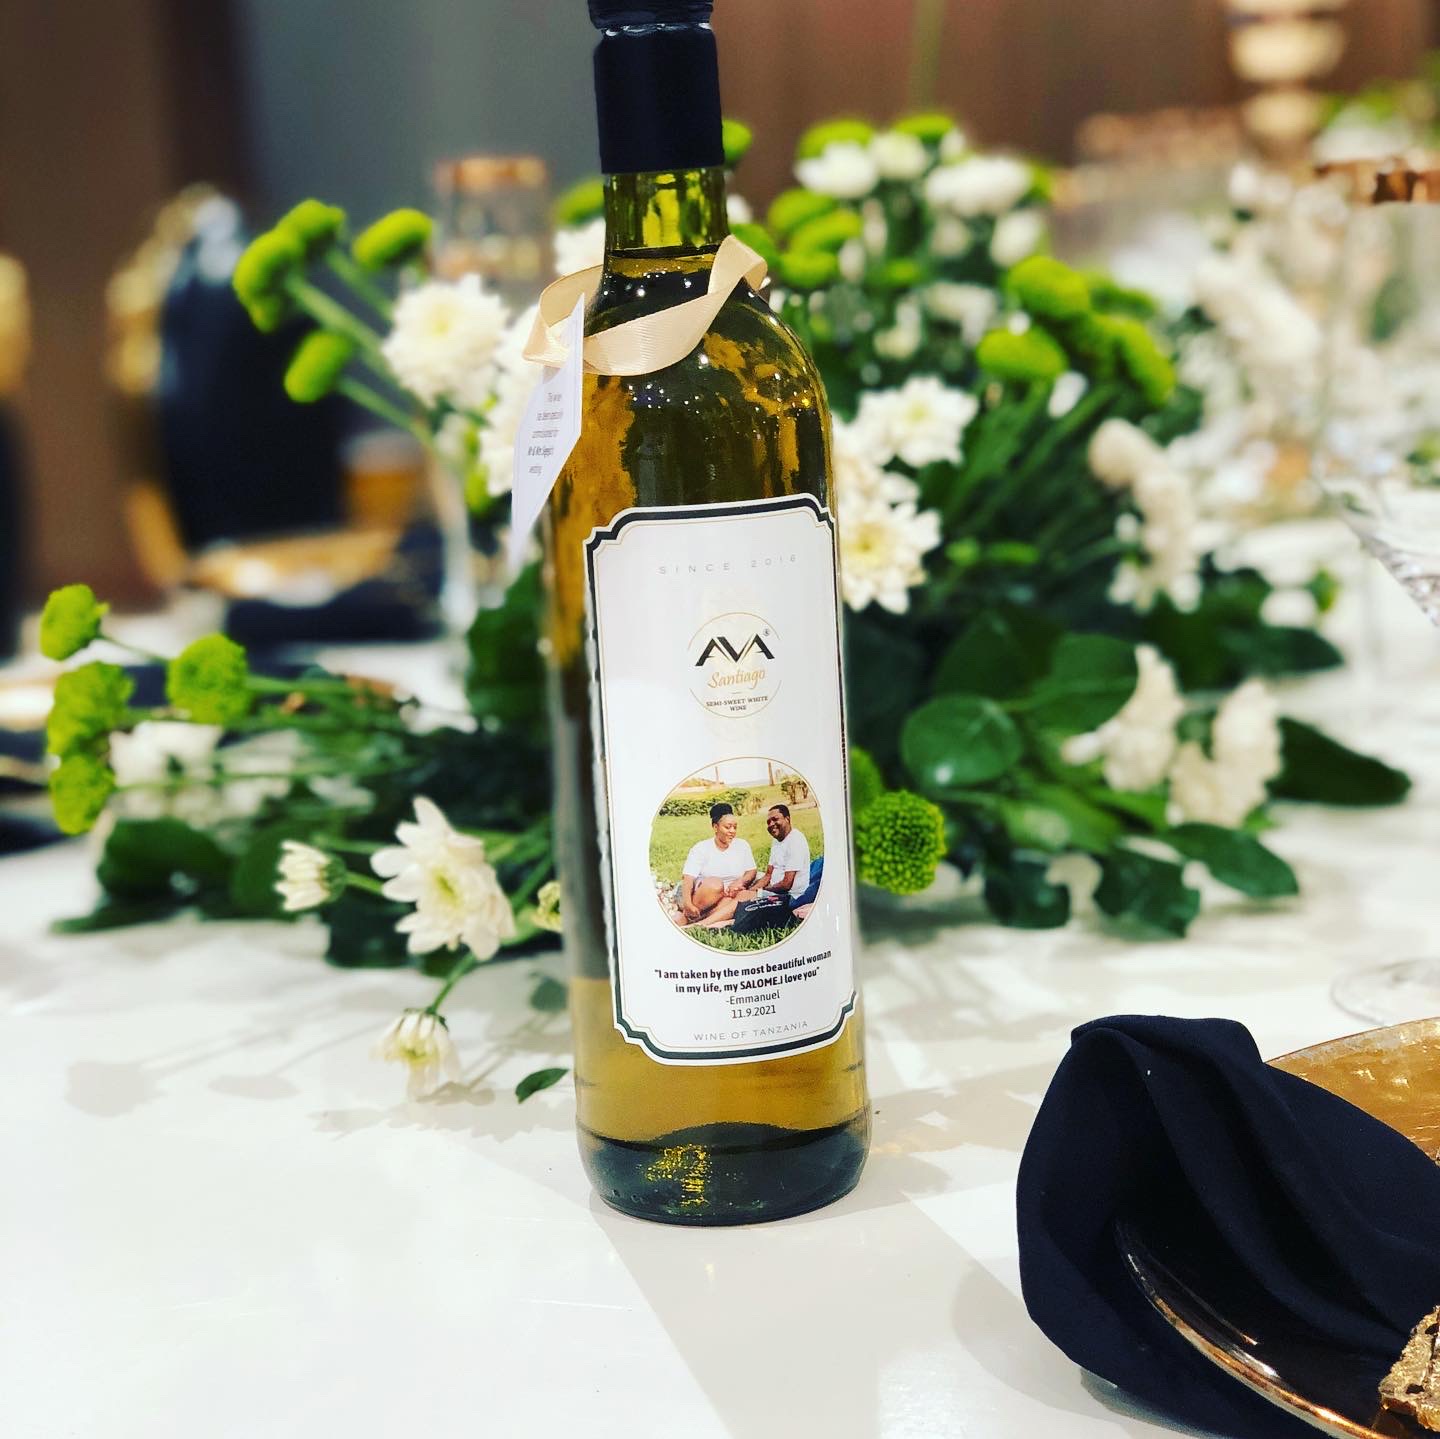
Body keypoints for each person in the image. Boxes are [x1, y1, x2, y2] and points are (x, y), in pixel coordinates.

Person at [677, 803, 756, 927]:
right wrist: (688, 904)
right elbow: (688, 878)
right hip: (705, 897)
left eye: (735, 827)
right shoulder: (701, 848)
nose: (732, 831)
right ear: (715, 827)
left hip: (728, 898)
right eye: (728, 827)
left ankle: (700, 924)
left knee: (749, 895)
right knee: (715, 884)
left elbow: (751, 871)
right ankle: (689, 915)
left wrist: (740, 882)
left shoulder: (742, 845)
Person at [756, 804, 810, 903]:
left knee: (743, 898)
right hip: (774, 890)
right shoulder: (776, 840)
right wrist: (753, 889)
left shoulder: (795, 840)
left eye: (775, 819)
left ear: (787, 819)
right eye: (768, 822)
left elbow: (786, 884)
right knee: (744, 891)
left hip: (789, 897)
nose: (771, 824)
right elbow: (768, 874)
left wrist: (762, 891)